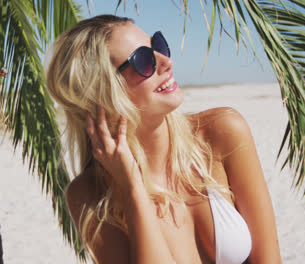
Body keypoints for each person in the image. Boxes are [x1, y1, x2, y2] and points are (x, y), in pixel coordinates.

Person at [46, 15, 281, 264]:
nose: (167, 61)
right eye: (143, 60)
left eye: (158, 45)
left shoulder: (221, 133)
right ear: (104, 94)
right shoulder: (91, 194)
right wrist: (132, 188)